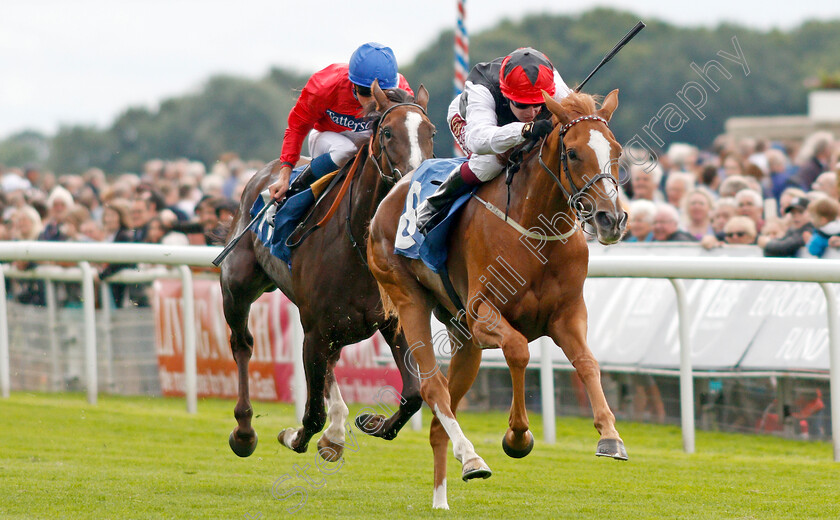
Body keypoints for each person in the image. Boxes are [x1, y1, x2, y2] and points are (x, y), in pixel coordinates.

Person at [413, 47, 573, 232]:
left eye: (538, 104)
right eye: (523, 104)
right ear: (506, 94)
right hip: (470, 121)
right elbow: (479, 141)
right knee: (489, 162)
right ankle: (434, 204)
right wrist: (525, 129)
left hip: (516, 126)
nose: (532, 112)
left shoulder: (551, 81)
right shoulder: (482, 87)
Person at [267, 42, 413, 204]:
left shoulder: (402, 92)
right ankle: (294, 192)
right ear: (353, 84)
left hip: (369, 140)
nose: (373, 101)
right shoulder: (324, 86)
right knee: (346, 150)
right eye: (366, 92)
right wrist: (284, 175)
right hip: (328, 136)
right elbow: (297, 128)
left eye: (380, 93)